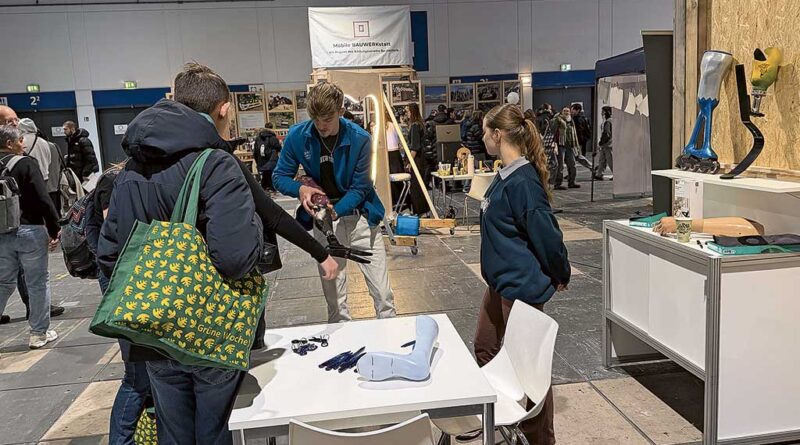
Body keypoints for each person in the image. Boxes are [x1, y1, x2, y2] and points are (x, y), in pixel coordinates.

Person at [97, 62, 263, 445]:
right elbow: (235, 259)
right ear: (223, 109)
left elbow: (110, 253)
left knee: (172, 432)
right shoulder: (216, 165)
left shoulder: (131, 168)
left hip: (154, 331)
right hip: (207, 330)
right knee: (215, 431)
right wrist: (254, 227)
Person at [475, 104, 570, 445]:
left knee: (529, 371)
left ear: (498, 134)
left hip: (520, 289)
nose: (482, 137)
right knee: (485, 348)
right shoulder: (505, 175)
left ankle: (538, 437)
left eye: (485, 131)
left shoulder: (524, 182)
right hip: (500, 284)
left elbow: (547, 234)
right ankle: (504, 416)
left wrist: (560, 272)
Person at [273, 82, 396, 323]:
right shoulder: (298, 136)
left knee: (383, 296)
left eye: (327, 119)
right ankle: (341, 355)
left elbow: (361, 187)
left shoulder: (360, 138)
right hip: (324, 222)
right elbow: (279, 177)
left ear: (340, 111)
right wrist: (302, 189)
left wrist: (335, 211)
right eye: (315, 119)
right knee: (335, 303)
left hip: (361, 219)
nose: (321, 126)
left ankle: (393, 347)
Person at [0, 108, 65, 323]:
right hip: (30, 229)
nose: (24, 143)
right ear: (9, 143)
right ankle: (38, 333)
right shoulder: (26, 163)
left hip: (2, 232)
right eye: (20, 139)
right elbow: (42, 198)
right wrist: (55, 228)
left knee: (4, 283)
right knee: (37, 282)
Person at [404, 103, 431, 216]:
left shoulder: (415, 126)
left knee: (416, 187)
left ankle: (420, 211)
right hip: (421, 159)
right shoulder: (420, 124)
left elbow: (415, 147)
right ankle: (423, 211)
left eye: (407, 111)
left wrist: (410, 162)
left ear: (412, 111)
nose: (406, 114)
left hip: (417, 160)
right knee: (419, 186)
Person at [551, 106, 582, 189]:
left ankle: (572, 182)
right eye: (564, 111)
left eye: (567, 111)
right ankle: (558, 184)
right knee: (560, 165)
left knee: (572, 164)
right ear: (561, 112)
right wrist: (556, 118)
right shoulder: (558, 120)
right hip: (561, 145)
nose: (566, 112)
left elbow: (574, 133)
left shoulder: (571, 120)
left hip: (570, 145)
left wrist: (576, 146)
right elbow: (552, 128)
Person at [385, 109, 405, 205]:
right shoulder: (395, 126)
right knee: (398, 181)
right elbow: (401, 142)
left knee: (387, 180)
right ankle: (401, 202)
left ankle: (390, 202)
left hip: (384, 155)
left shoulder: (377, 127)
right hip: (395, 155)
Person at [253, 126, 281, 192]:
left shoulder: (258, 139)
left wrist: (257, 161)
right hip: (272, 159)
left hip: (261, 160)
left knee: (265, 175)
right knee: (271, 174)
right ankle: (272, 188)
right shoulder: (273, 138)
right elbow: (279, 147)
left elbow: (255, 151)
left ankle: (264, 188)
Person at [595, 106, 613, 180]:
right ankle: (599, 174)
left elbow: (606, 133)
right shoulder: (609, 120)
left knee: (610, 160)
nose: (601, 112)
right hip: (606, 144)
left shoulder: (608, 121)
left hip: (608, 144)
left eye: (602, 111)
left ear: (605, 112)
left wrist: (601, 142)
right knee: (602, 160)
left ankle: (617, 174)